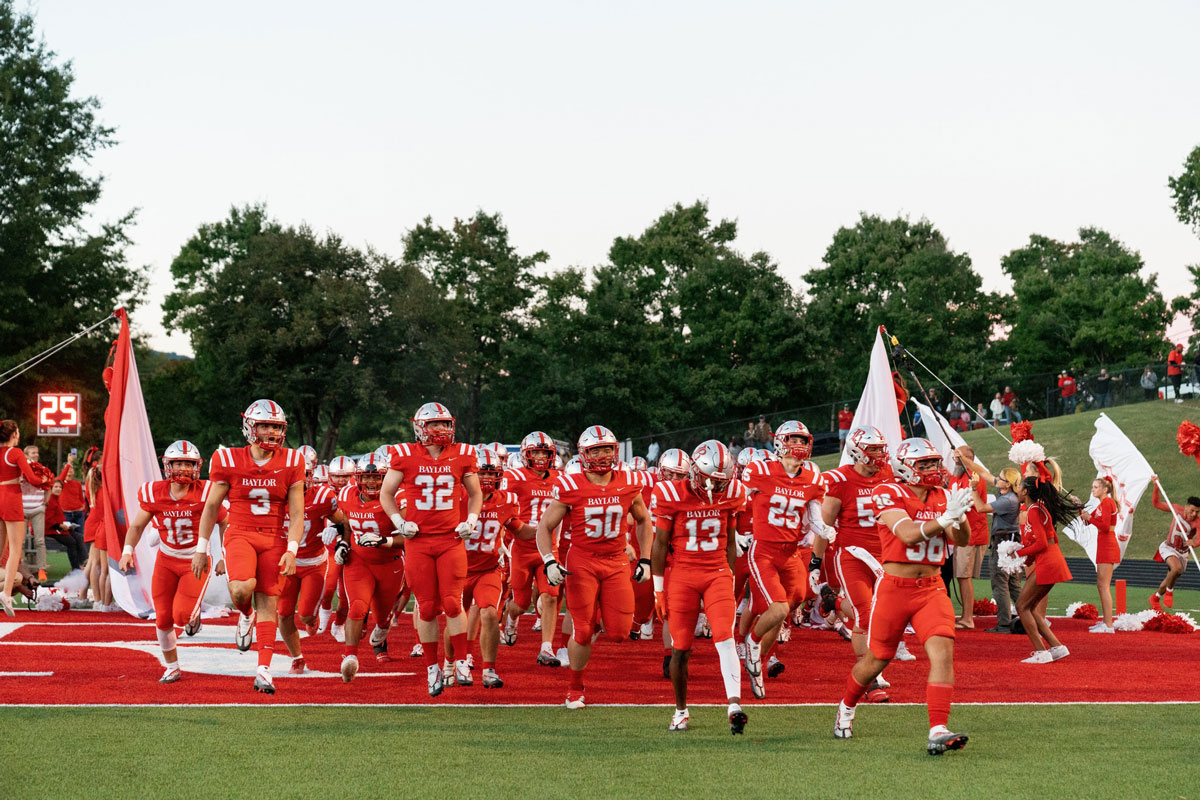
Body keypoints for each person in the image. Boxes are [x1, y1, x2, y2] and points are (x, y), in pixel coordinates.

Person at [833, 438, 972, 755]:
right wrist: (944, 517)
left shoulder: (942, 495)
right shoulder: (888, 491)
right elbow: (908, 534)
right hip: (895, 587)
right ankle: (846, 706)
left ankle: (938, 728)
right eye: (923, 464)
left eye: (934, 463)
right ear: (904, 468)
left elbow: (961, 540)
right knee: (876, 660)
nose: (932, 470)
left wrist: (959, 516)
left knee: (942, 652)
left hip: (932, 587)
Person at [534, 425, 653, 709]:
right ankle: (575, 689)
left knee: (620, 633)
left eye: (607, 449)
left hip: (615, 561)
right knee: (584, 632)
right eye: (595, 450)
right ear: (584, 454)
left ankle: (593, 613)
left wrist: (646, 558)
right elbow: (544, 527)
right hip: (583, 561)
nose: (602, 455)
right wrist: (550, 560)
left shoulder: (629, 481)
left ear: (616, 451)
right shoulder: (571, 484)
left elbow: (644, 520)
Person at [195, 399, 307, 694]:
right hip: (240, 533)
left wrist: (292, 549)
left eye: (275, 426)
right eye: (264, 425)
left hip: (274, 536)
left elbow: (297, 514)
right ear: (249, 427)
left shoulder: (293, 461)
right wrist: (201, 547)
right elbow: (211, 506)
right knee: (242, 590)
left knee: (269, 601)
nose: (270, 432)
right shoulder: (227, 458)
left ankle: (264, 670)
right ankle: (245, 614)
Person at [380, 402, 482, 697]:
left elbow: (475, 494)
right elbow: (387, 493)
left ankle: (461, 660)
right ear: (419, 428)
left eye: (445, 424)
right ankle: (431, 669)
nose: (442, 430)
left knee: (452, 603)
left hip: (450, 539)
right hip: (419, 541)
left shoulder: (463, 454)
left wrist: (471, 518)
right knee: (425, 606)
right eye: (435, 424)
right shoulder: (404, 454)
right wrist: (398, 520)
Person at [651, 440, 748, 734]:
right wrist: (658, 588)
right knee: (681, 649)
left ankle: (734, 705)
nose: (716, 487)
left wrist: (730, 578)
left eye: (721, 482)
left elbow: (730, 541)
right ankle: (681, 710)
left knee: (725, 638)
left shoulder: (733, 493)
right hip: (683, 574)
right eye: (710, 480)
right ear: (695, 471)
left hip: (717, 570)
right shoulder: (669, 493)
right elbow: (659, 544)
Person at [118, 440, 230, 682]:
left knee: (181, 616)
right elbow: (137, 525)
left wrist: (224, 555)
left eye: (188, 463)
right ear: (168, 465)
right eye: (178, 462)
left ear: (197, 466)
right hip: (166, 560)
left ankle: (194, 613)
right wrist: (127, 550)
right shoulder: (154, 492)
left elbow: (224, 521)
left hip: (195, 561)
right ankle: (172, 666)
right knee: (163, 617)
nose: (183, 468)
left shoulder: (206, 492)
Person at [740, 420, 830, 700]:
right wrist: (732, 535)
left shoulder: (813, 479)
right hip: (764, 549)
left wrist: (826, 530)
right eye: (794, 439)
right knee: (778, 610)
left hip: (791, 553)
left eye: (803, 440)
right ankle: (750, 643)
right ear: (779, 442)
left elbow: (815, 519)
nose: (799, 445)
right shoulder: (760, 469)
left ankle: (760, 660)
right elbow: (734, 500)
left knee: (797, 598)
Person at [819, 426, 909, 703]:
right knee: (865, 614)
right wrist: (815, 561)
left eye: (881, 448)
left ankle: (833, 604)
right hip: (852, 555)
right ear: (857, 451)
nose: (880, 454)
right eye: (873, 449)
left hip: (885, 555)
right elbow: (824, 523)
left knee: (885, 613)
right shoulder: (840, 479)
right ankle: (869, 680)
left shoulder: (889, 475)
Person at [335, 453, 404, 683]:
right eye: (367, 477)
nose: (372, 483)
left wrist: (384, 541)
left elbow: (411, 535)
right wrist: (343, 543)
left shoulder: (397, 498)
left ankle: (381, 633)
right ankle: (350, 658)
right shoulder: (346, 494)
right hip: (359, 562)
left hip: (389, 562)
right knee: (357, 608)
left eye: (378, 478)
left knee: (383, 616)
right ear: (358, 478)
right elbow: (346, 523)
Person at [277, 446, 343, 674]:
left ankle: (311, 617)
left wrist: (336, 529)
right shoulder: (274, 498)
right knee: (283, 613)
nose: (299, 478)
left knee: (305, 614)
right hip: (285, 564)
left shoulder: (323, 496)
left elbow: (345, 521)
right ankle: (297, 657)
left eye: (304, 473)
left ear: (311, 474)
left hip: (313, 563)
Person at [460, 449, 522, 688]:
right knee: (458, 618)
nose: (486, 478)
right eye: (481, 473)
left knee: (488, 613)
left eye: (491, 473)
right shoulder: (457, 497)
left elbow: (518, 528)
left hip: (488, 568)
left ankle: (488, 669)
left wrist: (543, 530)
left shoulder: (506, 500)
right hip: (457, 568)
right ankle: (455, 661)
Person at [501, 431, 563, 666]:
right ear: (526, 454)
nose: (539, 456)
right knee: (522, 603)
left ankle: (546, 648)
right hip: (523, 547)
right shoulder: (513, 476)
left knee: (550, 596)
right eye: (535, 452)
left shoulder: (560, 478)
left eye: (544, 452)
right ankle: (510, 615)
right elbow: (501, 506)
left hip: (549, 547)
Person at [1014, 472, 1078, 663]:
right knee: (1031, 607)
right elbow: (1052, 538)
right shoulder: (1039, 508)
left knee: (1021, 606)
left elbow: (1042, 543)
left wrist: (1018, 554)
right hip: (1051, 560)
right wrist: (1028, 558)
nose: (1016, 490)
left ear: (1025, 491)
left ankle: (1041, 652)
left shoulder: (1034, 510)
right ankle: (1057, 647)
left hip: (1048, 562)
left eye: (1019, 487)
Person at [955, 451, 1023, 633]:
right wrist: (965, 460)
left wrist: (974, 488)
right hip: (1010, 543)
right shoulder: (1010, 495)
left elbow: (981, 508)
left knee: (1000, 584)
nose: (996, 479)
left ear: (1007, 484)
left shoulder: (1007, 500)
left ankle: (1004, 624)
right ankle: (1029, 618)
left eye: (1000, 478)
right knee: (1014, 585)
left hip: (1003, 545)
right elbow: (984, 472)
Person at [1, 421, 53, 615]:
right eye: (18, 431)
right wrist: (45, 480)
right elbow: (31, 478)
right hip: (11, 498)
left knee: (1, 550)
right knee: (15, 549)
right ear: (13, 434)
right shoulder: (15, 453)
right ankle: (6, 593)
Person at [949, 448, 988, 630]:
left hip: (971, 534)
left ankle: (967, 618)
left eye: (959, 458)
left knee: (964, 576)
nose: (955, 461)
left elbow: (964, 503)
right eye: (955, 458)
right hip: (962, 534)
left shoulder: (975, 477)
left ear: (969, 459)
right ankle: (966, 616)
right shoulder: (955, 477)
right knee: (961, 576)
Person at [1147, 481, 1200, 610]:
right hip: (1168, 547)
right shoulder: (1176, 509)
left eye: (1197, 512)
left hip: (1183, 553)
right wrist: (1155, 486)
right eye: (1192, 510)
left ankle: (1155, 597)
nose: (1194, 514)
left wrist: (1194, 543)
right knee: (1175, 569)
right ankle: (1169, 593)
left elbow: (1199, 538)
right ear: (1186, 507)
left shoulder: (1197, 522)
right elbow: (1157, 504)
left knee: (1171, 576)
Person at [1081, 478, 1119, 632]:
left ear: (1105, 489)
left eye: (1096, 487)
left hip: (1107, 545)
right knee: (1101, 585)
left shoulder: (1108, 502)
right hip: (1103, 544)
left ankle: (1108, 625)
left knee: (1104, 586)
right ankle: (1106, 621)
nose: (1093, 489)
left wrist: (1090, 518)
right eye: (1092, 487)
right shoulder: (1102, 504)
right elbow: (1088, 522)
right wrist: (1082, 511)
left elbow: (1103, 526)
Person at [20, 445, 48, 581]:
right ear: (26, 455)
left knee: (40, 540)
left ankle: (41, 569)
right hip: (22, 508)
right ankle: (21, 568)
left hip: (37, 508)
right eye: (32, 452)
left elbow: (49, 486)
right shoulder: (20, 470)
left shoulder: (42, 469)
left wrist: (45, 503)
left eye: (37, 452)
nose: (35, 454)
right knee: (20, 542)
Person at [44, 480, 86, 570]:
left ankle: (83, 561)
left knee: (78, 537)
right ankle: (76, 568)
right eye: (56, 487)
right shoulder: (50, 500)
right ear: (51, 488)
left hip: (59, 527)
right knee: (72, 542)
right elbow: (48, 520)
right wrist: (60, 526)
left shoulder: (56, 499)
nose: (58, 489)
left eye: (60, 487)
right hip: (51, 529)